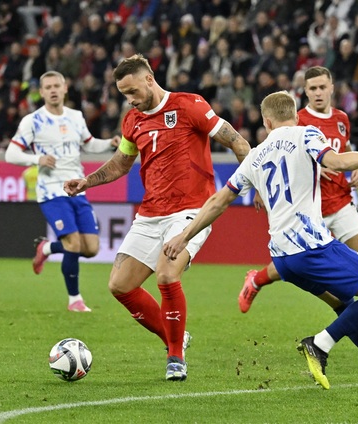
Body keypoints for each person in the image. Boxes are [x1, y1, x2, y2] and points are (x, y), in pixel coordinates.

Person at [164, 91, 358, 390]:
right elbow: (337, 161)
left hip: (284, 260)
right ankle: (319, 344)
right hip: (312, 247)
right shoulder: (307, 134)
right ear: (296, 114)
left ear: (266, 121)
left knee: (345, 305)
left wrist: (184, 235)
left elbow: (218, 201)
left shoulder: (255, 154)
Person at [63, 54, 251, 381]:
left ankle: (175, 358)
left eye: (133, 91)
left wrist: (254, 183)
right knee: (120, 285)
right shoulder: (131, 121)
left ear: (149, 78)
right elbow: (122, 164)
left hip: (193, 209)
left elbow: (237, 141)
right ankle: (174, 337)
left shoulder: (190, 105)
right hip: (151, 212)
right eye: (124, 94)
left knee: (166, 274)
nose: (130, 100)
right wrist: (87, 182)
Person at [238, 66, 358, 344]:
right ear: (305, 91)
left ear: (331, 88)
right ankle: (256, 280)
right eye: (312, 88)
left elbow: (345, 148)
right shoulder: (296, 120)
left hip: (340, 203)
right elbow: (271, 158)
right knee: (288, 266)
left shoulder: (341, 119)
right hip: (308, 211)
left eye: (322, 87)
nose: (318, 92)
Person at [5, 71, 120, 312]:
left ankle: (46, 248)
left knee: (91, 248)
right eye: (48, 87)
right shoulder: (32, 121)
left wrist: (108, 143)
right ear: (42, 92)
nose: (53, 90)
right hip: (50, 191)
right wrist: (37, 158)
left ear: (65, 88)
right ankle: (74, 300)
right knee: (73, 243)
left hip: (77, 188)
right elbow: (11, 154)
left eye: (57, 85)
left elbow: (89, 144)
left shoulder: (76, 117)